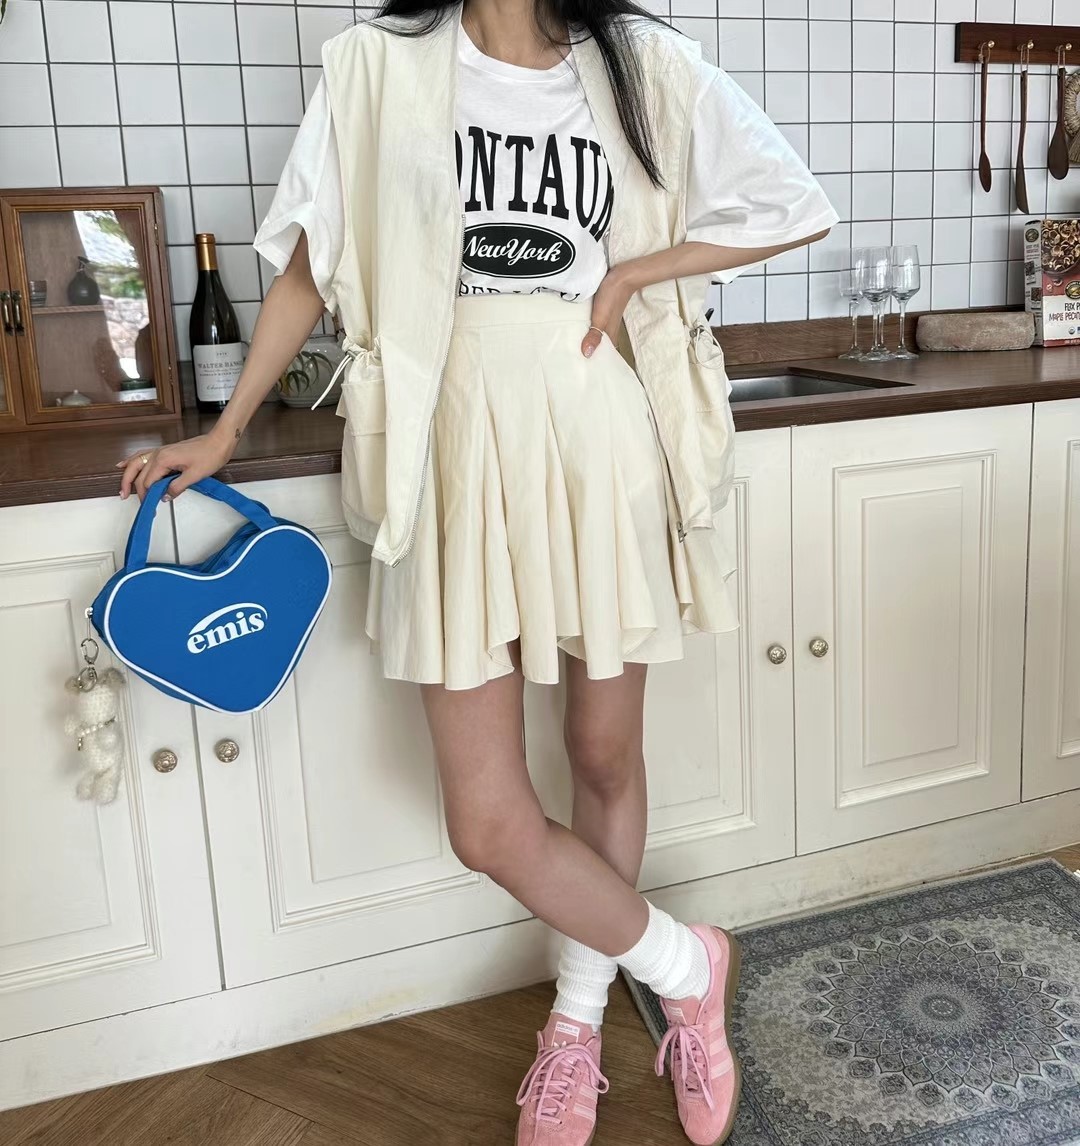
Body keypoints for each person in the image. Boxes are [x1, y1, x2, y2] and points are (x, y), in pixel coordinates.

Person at [119, 2, 837, 1141]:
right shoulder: (375, 66)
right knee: (488, 821)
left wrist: (639, 270)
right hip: (445, 447)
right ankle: (686, 963)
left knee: (603, 754)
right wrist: (226, 427)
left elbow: (793, 202)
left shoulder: (643, 63)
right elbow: (311, 264)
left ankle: (576, 1025)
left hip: (596, 435)